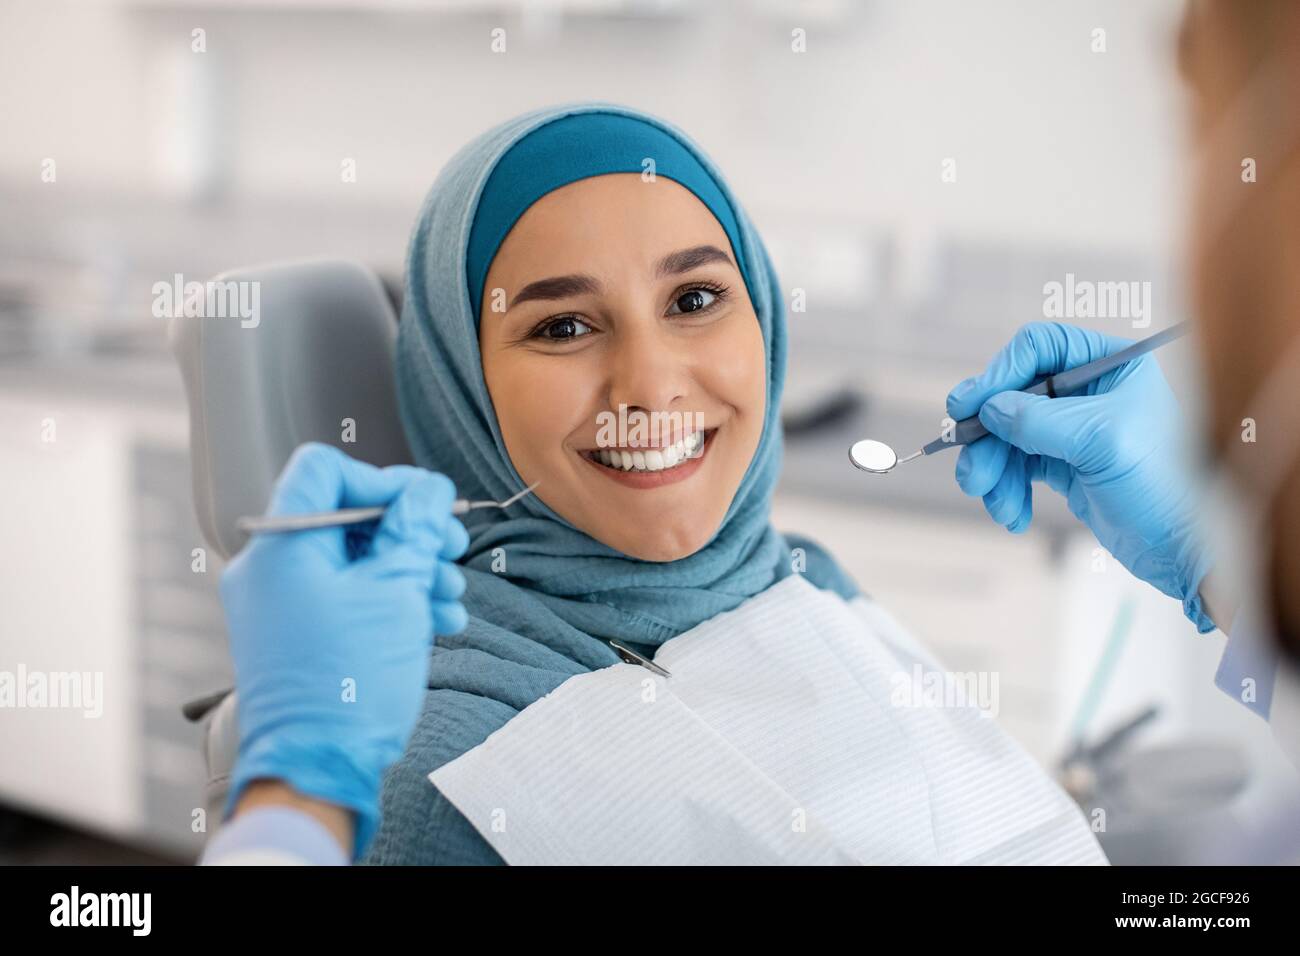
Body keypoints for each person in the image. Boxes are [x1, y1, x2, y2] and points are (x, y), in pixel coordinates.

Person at [205, 104, 1107, 865]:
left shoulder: (807, 580)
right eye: (563, 325)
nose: (649, 386)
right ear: (460, 386)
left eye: (694, 300)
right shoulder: (445, 772)